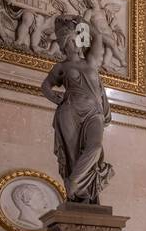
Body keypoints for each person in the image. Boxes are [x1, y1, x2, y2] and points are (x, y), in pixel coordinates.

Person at [40, 17, 113, 203]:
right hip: (69, 112)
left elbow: (98, 36)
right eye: (71, 40)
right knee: (73, 156)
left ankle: (73, 181)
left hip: (93, 113)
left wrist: (84, 23)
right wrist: (52, 96)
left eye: (77, 38)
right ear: (64, 44)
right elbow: (46, 86)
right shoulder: (61, 67)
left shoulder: (91, 61)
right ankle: (80, 197)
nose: (76, 43)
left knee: (94, 147)